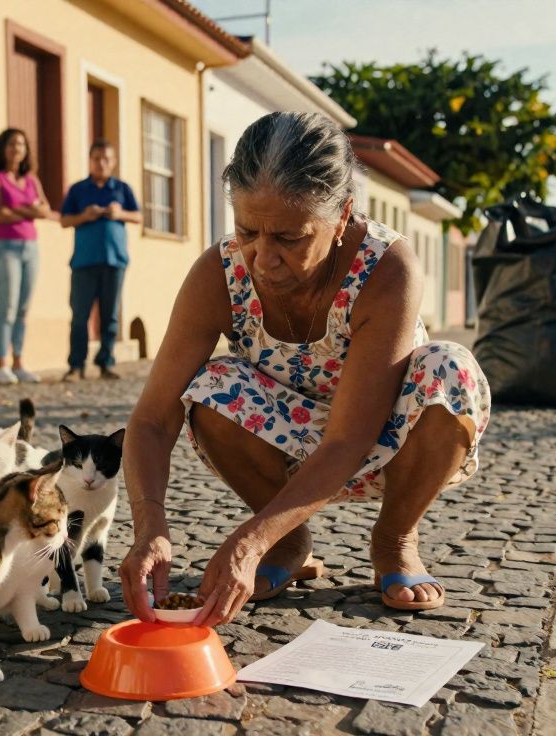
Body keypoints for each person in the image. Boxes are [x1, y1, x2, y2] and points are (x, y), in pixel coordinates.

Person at [117, 112, 491, 627]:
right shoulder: (219, 272)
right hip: (287, 439)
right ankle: (289, 540)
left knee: (451, 369)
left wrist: (249, 541)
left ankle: (395, 538)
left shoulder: (388, 266)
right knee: (211, 387)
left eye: (290, 238)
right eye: (247, 231)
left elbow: (348, 438)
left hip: (382, 435)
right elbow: (153, 418)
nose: (263, 258)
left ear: (341, 218)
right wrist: (150, 526)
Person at [59, 140, 142, 381]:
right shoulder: (78, 190)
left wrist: (119, 213)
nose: (101, 163)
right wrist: (84, 216)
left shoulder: (122, 188)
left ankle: (106, 362)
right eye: (97, 158)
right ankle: (76, 365)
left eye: (106, 159)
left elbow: (137, 216)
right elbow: (64, 220)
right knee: (79, 316)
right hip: (83, 262)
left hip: (115, 260)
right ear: (90, 160)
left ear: (113, 162)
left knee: (110, 315)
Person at [0, 129, 50, 385]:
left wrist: (21, 210)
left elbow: (46, 209)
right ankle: (2, 364)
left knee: (23, 308)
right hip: (3, 246)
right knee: (7, 307)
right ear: (2, 148)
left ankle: (19, 362)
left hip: (30, 247)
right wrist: (29, 210)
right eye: (11, 143)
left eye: (21, 144)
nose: (16, 148)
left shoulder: (31, 179)